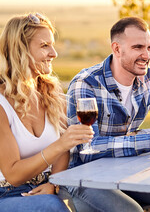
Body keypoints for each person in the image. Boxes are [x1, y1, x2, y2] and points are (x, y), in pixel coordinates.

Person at [66, 16, 150, 211]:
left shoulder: (147, 78)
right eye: (138, 47)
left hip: (125, 168)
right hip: (84, 177)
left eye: (149, 47)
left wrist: (138, 136)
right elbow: (88, 149)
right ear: (117, 49)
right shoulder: (86, 84)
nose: (146, 55)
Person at [0, 13, 94, 211]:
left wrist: (54, 183)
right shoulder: (2, 105)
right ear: (20, 51)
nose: (54, 53)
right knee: (51, 207)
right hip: (7, 193)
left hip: (47, 187)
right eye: (44, 46)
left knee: (94, 195)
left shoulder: (49, 92)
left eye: (52, 45)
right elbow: (13, 174)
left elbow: (63, 152)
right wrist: (61, 144)